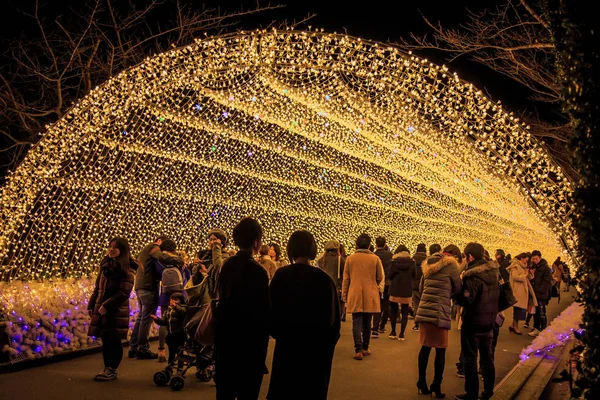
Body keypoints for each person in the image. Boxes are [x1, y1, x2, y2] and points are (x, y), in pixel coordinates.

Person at [268, 230, 341, 400]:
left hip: (288, 347)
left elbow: (271, 312)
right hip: (316, 352)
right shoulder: (324, 280)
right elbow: (333, 323)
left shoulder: (282, 276)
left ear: (290, 249)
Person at [214, 217, 270, 400]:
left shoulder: (227, 266)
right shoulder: (259, 271)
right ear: (256, 241)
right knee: (248, 392)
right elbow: (263, 311)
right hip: (250, 343)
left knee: (225, 391)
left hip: (226, 338)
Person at [455, 243, 500, 400]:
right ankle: (488, 391)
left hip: (473, 322)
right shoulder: (494, 273)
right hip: (489, 322)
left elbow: (467, 300)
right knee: (487, 358)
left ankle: (471, 393)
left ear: (470, 256)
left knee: (470, 358)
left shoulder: (472, 276)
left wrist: (457, 294)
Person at [415, 246, 461, 398]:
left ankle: (421, 382)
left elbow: (421, 287)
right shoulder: (452, 265)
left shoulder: (428, 263)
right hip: (440, 311)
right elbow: (458, 288)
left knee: (425, 347)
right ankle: (436, 385)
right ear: (454, 255)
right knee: (441, 349)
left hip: (425, 310)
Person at [88, 237, 136, 381]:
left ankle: (112, 369)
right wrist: (92, 304)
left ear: (122, 250)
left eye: (114, 247)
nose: (110, 249)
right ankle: (107, 368)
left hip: (115, 310)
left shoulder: (127, 268)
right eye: (109, 246)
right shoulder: (106, 266)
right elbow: (98, 288)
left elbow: (124, 292)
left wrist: (108, 305)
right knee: (105, 337)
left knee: (113, 339)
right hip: (101, 307)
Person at [130, 235, 179, 360]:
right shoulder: (153, 247)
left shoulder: (144, 252)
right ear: (159, 241)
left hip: (140, 286)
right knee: (146, 319)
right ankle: (142, 349)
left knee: (142, 318)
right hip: (148, 287)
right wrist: (177, 260)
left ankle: (134, 348)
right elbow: (161, 257)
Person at [342, 233, 383, 360]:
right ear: (369, 245)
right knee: (367, 322)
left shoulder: (350, 259)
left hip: (355, 292)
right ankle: (365, 347)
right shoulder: (375, 259)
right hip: (370, 293)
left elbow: (346, 278)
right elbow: (380, 277)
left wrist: (344, 294)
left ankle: (358, 350)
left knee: (356, 321)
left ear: (356, 244)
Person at [155, 239, 185, 362]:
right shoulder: (179, 259)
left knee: (165, 319)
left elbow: (156, 274)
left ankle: (161, 350)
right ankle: (180, 349)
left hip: (166, 294)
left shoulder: (159, 259)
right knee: (181, 320)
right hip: (179, 293)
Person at [387, 245, 415, 340]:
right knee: (405, 310)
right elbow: (414, 275)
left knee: (394, 310)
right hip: (407, 289)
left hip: (395, 288)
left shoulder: (394, 262)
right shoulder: (412, 262)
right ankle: (402, 334)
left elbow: (390, 276)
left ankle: (393, 331)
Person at [151, 292, 187, 365]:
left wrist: (176, 307)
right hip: (171, 335)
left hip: (180, 335)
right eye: (172, 300)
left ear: (181, 300)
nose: (173, 302)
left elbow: (183, 313)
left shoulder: (183, 308)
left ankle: (180, 369)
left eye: (176, 300)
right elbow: (164, 322)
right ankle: (170, 367)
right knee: (171, 352)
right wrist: (157, 319)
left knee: (180, 353)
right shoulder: (167, 311)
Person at [506, 253, 537, 335]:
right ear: (521, 258)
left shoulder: (523, 267)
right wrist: (525, 274)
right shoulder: (515, 265)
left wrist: (531, 274)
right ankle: (516, 327)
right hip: (517, 291)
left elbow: (527, 278)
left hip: (523, 291)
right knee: (517, 310)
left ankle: (513, 325)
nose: (526, 262)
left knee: (519, 310)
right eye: (525, 260)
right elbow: (515, 277)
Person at [317, 240, 346, 321]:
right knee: (337, 314)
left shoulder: (320, 261)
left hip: (323, 291)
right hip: (337, 290)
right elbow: (345, 276)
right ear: (337, 249)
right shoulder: (341, 260)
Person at [527, 250, 553, 337]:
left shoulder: (545, 268)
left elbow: (547, 281)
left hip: (541, 294)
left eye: (536, 258)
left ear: (540, 257)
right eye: (533, 259)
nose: (534, 260)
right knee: (536, 312)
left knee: (541, 312)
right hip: (535, 293)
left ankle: (543, 329)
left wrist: (540, 290)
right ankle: (537, 328)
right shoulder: (534, 267)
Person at [373, 236, 393, 336]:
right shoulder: (390, 255)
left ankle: (375, 326)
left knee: (376, 304)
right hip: (388, 282)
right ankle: (382, 325)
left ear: (376, 244)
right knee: (386, 304)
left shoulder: (373, 255)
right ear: (385, 244)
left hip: (376, 282)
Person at [412, 243, 427, 332]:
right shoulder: (427, 259)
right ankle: (423, 324)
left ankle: (416, 324)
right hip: (424, 285)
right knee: (424, 305)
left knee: (416, 306)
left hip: (414, 285)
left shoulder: (413, 258)